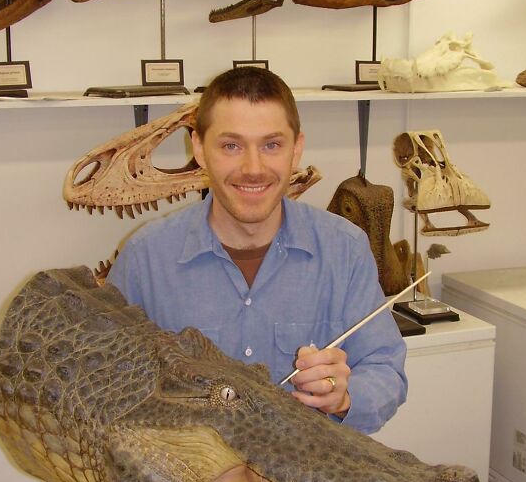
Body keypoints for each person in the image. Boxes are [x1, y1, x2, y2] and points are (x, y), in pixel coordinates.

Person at [108, 66, 407, 435]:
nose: (253, 168)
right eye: (231, 146)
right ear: (199, 149)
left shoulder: (345, 249)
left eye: (272, 145)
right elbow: (109, 386)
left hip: (305, 468)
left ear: (296, 149)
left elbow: (386, 370)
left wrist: (343, 397)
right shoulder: (144, 259)